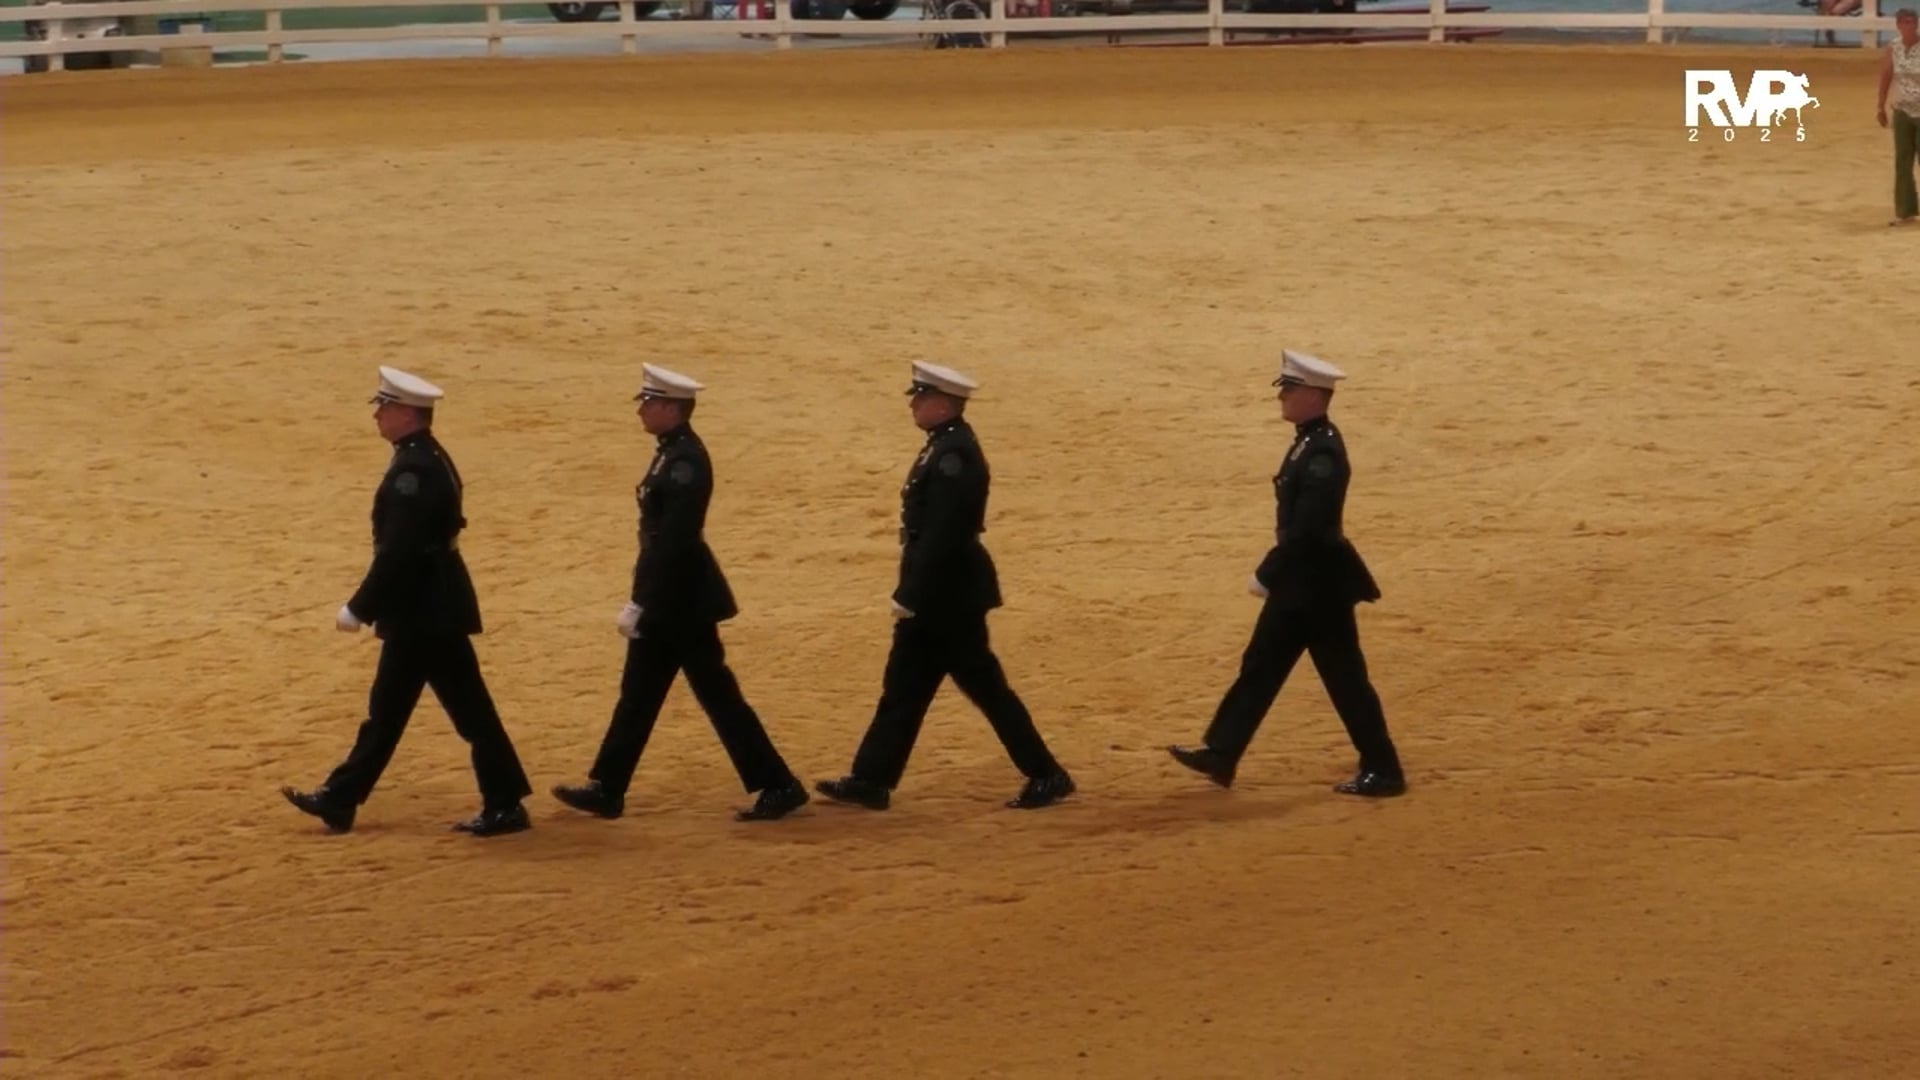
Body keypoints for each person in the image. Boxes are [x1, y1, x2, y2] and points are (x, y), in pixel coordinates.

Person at [551, 364, 811, 823]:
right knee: (643, 695)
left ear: (671, 407)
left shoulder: (685, 460)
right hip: (674, 600)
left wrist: (642, 601)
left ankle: (778, 783)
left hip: (681, 604)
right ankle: (608, 786)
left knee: (710, 696)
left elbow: (674, 540)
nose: (642, 411)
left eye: (649, 403)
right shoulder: (672, 452)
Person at [283, 367, 535, 836]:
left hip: (425, 612)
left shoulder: (413, 470)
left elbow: (399, 550)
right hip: (431, 609)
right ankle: (342, 798)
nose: (378, 416)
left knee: (445, 713)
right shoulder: (424, 458)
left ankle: (503, 804)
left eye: (385, 408)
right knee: (406, 711)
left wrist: (360, 606)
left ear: (407, 415)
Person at [815, 361, 1076, 811]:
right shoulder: (944, 446)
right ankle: (871, 778)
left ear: (942, 404)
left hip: (948, 598)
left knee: (984, 689)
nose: (913, 404)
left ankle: (1047, 774)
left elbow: (945, 534)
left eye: (920, 398)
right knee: (904, 688)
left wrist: (911, 594)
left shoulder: (954, 454)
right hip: (939, 592)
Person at [1166, 350, 1406, 798]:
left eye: (1290, 391)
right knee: (1260, 665)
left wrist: (1268, 571)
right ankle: (1221, 752)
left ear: (1314, 395)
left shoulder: (1323, 451)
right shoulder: (1308, 441)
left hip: (1319, 586)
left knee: (1345, 679)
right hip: (1302, 583)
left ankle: (1384, 769)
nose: (1283, 399)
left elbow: (1310, 529)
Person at [1878, 7, 1920, 226]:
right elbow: (1886, 75)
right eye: (1904, 22)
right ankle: (1905, 211)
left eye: (1912, 21)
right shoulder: (1893, 47)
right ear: (1898, 25)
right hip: (1902, 110)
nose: (1909, 26)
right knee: (1902, 162)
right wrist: (1880, 105)